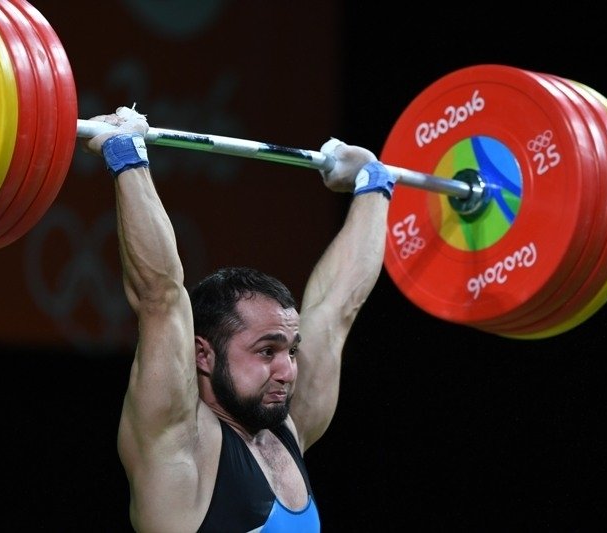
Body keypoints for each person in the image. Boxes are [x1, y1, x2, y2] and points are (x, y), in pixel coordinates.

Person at [83, 106, 395, 532]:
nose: (287, 371)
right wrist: (126, 155)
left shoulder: (287, 427)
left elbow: (339, 306)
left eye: (291, 350)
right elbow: (160, 296)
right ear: (203, 355)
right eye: (267, 350)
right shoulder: (180, 447)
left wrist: (373, 184)